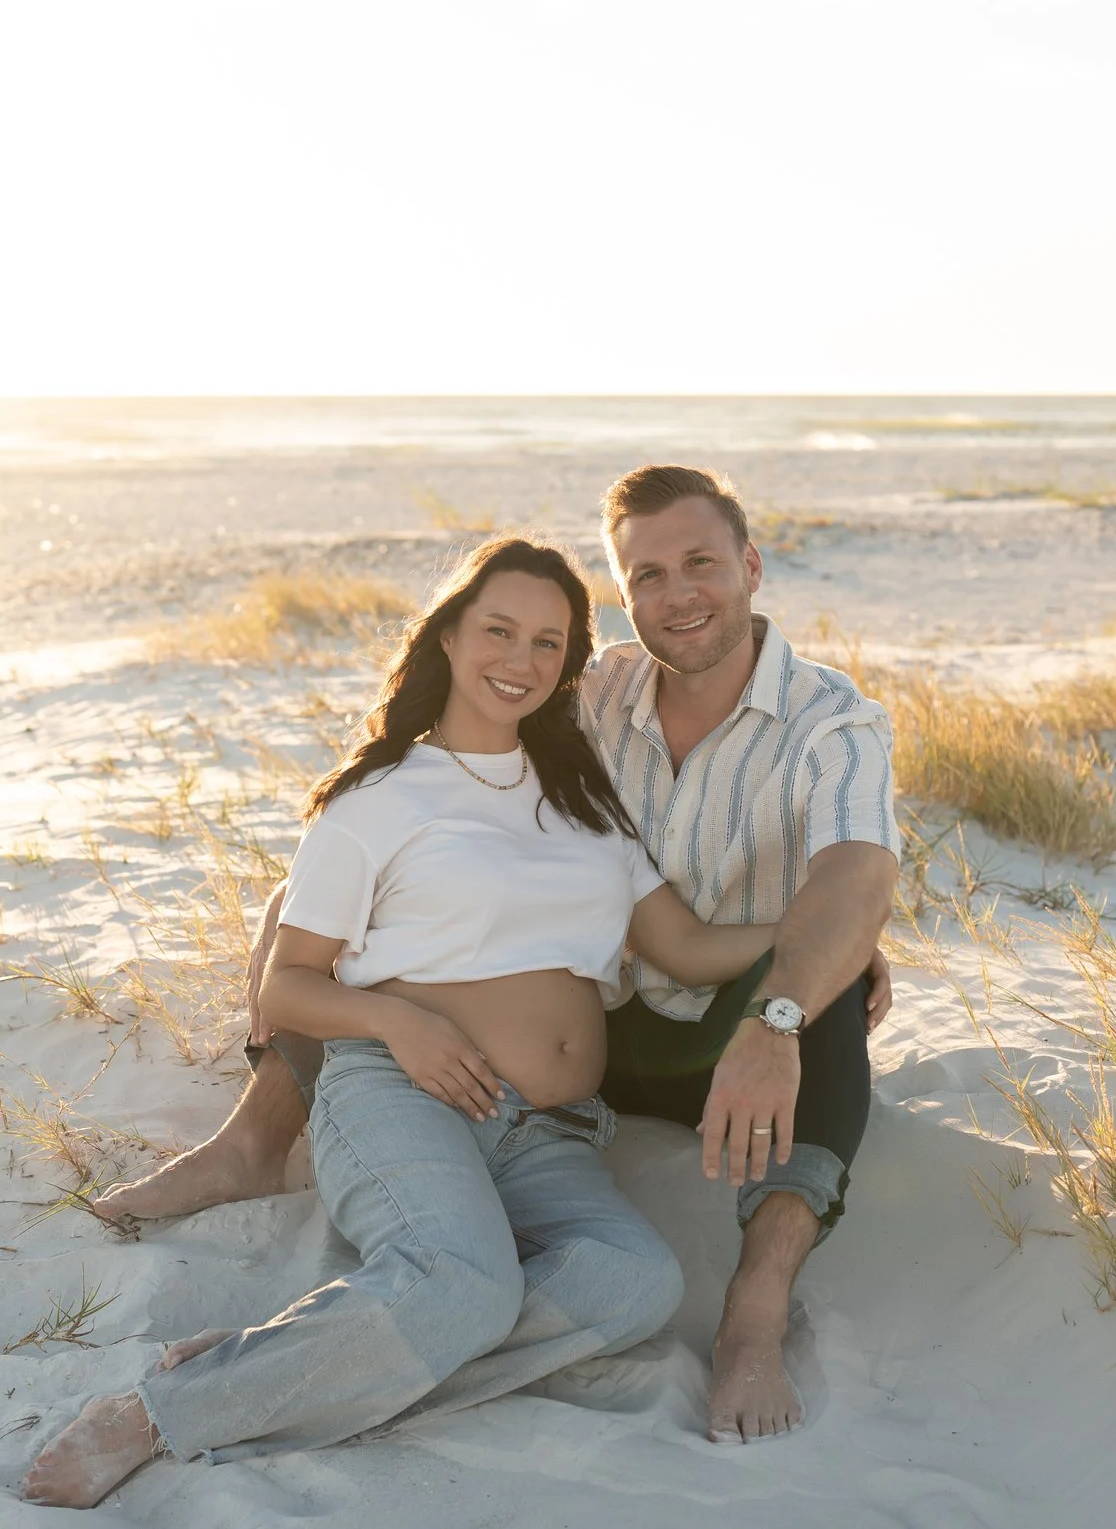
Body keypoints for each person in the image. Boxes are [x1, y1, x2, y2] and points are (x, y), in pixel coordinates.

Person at [95, 463, 901, 1444]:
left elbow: (748, 919)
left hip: (620, 1084)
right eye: (646, 573)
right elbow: (375, 863)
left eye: (699, 562)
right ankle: (222, 1290)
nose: (676, 591)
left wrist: (831, 941)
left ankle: (309, 1361)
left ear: (750, 565)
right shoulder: (551, 720)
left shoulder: (787, 732)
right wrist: (306, 921)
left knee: (661, 1239)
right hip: (457, 1069)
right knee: (461, 1271)